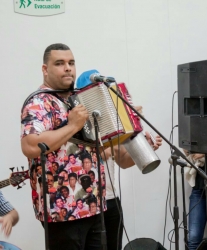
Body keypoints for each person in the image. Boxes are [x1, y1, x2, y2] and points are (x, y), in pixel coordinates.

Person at [20, 43, 148, 250]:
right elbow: (30, 145)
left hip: (94, 205)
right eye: (60, 63)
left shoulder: (80, 99)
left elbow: (107, 146)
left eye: (71, 63)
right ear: (45, 69)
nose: (68, 68)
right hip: (62, 211)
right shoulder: (39, 102)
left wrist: (126, 121)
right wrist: (72, 126)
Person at [76, 69, 163, 250]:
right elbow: (101, 152)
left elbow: (123, 161)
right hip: (86, 204)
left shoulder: (110, 122)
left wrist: (145, 147)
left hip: (110, 200)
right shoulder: (79, 126)